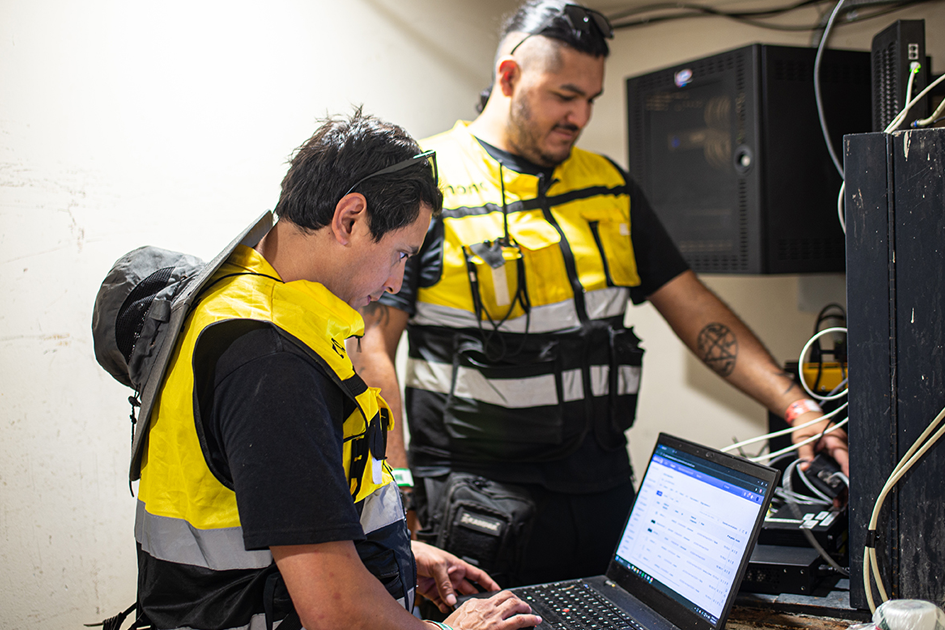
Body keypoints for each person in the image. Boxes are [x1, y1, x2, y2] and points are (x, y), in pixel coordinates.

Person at [351, 1, 850, 588]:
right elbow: (373, 344)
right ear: (509, 77)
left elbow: (693, 307)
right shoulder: (428, 183)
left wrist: (797, 406)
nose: (580, 115)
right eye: (565, 95)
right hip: (476, 502)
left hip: (604, 492)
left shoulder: (608, 185)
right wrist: (396, 492)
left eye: (591, 99)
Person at [130, 110, 542, 630]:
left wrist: (395, 554)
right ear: (350, 218)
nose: (396, 282)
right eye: (400, 254)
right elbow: (336, 612)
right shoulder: (270, 361)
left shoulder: (246, 304)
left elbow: (281, 515)